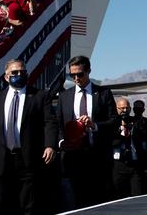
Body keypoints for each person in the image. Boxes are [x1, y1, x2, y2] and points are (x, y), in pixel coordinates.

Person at [0, 59, 57, 215]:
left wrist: (50, 145)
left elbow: (50, 123)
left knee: (28, 206)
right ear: (6, 77)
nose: (19, 75)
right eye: (14, 72)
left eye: (22, 72)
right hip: (0, 160)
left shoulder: (40, 96)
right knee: (0, 205)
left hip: (27, 160)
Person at [57, 55, 119, 209]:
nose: (76, 78)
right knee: (77, 200)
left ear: (89, 71)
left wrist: (95, 125)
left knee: (99, 200)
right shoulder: (64, 97)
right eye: (73, 75)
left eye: (80, 74)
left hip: (98, 155)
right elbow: (57, 124)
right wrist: (61, 142)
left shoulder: (104, 94)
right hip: (73, 156)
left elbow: (114, 121)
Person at [111, 98, 147, 198]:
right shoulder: (112, 123)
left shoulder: (136, 122)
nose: (125, 110)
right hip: (118, 164)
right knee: (118, 195)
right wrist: (121, 131)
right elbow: (111, 140)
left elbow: (145, 138)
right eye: (122, 108)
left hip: (135, 164)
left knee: (137, 195)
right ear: (117, 108)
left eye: (127, 108)